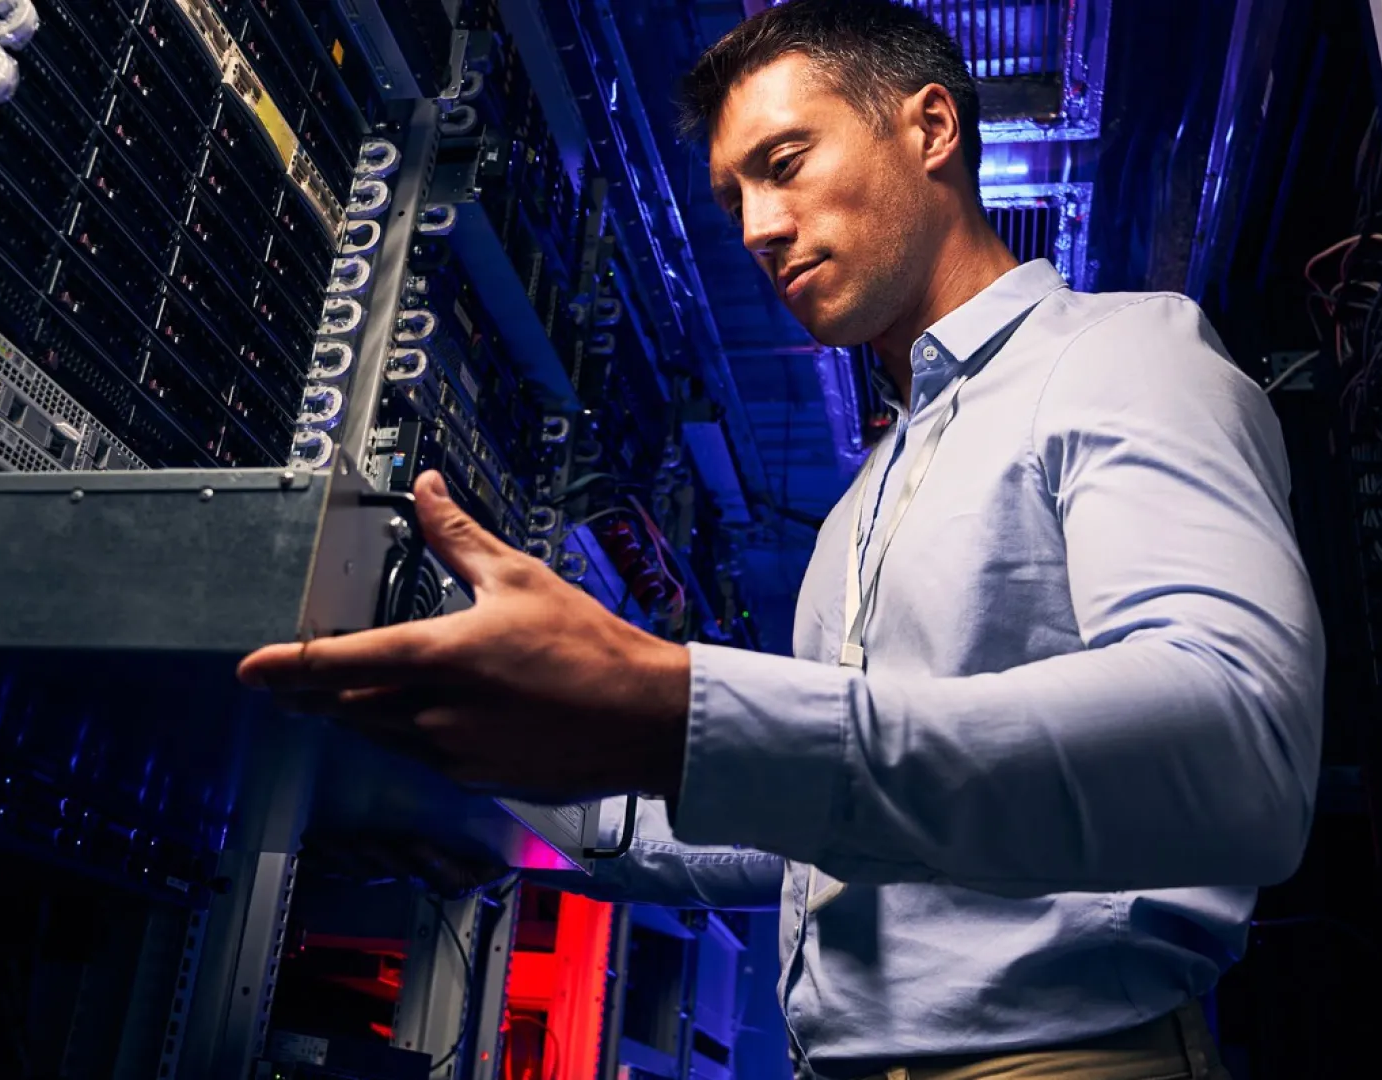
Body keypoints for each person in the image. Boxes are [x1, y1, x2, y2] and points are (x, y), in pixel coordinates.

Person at [239, 0, 1325, 1076]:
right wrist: (540, 786)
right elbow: (838, 825)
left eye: (786, 160)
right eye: (733, 197)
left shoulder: (1123, 357)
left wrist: (678, 708)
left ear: (932, 128)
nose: (756, 226)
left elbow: (1239, 749)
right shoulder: (864, 502)